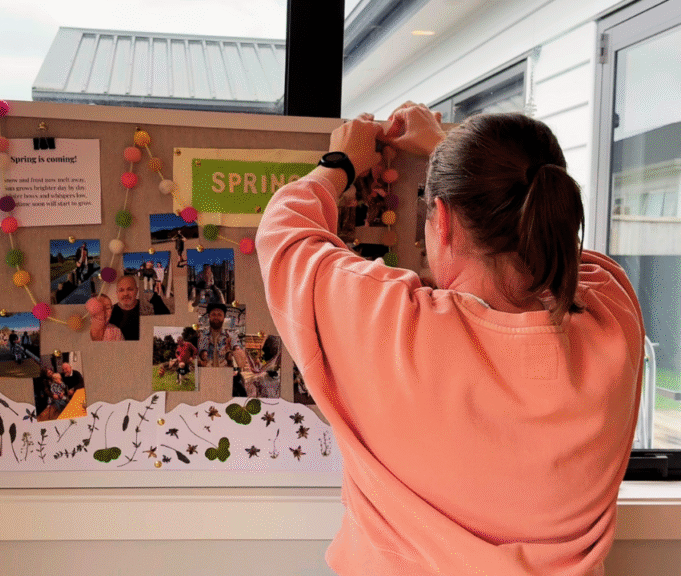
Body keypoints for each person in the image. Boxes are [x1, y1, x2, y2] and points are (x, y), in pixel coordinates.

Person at [256, 104, 645, 576]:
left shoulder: (392, 324)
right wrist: (453, 158)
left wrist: (340, 163)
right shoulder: (613, 317)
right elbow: (567, 255)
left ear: (441, 219)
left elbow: (284, 235)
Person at [196, 302, 245, 368]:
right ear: (209, 316)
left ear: (224, 317)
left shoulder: (230, 335)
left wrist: (237, 350)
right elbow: (200, 351)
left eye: (219, 315)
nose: (216, 317)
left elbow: (236, 347)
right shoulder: (201, 335)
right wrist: (202, 357)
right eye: (213, 314)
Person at [108, 275, 154, 340]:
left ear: (136, 290)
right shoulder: (109, 312)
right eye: (121, 290)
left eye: (130, 289)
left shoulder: (148, 308)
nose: (125, 294)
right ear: (117, 293)